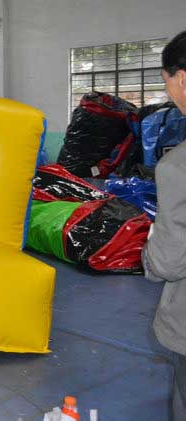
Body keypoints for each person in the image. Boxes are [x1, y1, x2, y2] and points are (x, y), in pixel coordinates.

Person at [142, 30, 186, 421]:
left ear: (183, 78)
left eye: (167, 80)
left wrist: (148, 252)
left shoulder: (178, 167)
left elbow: (169, 262)